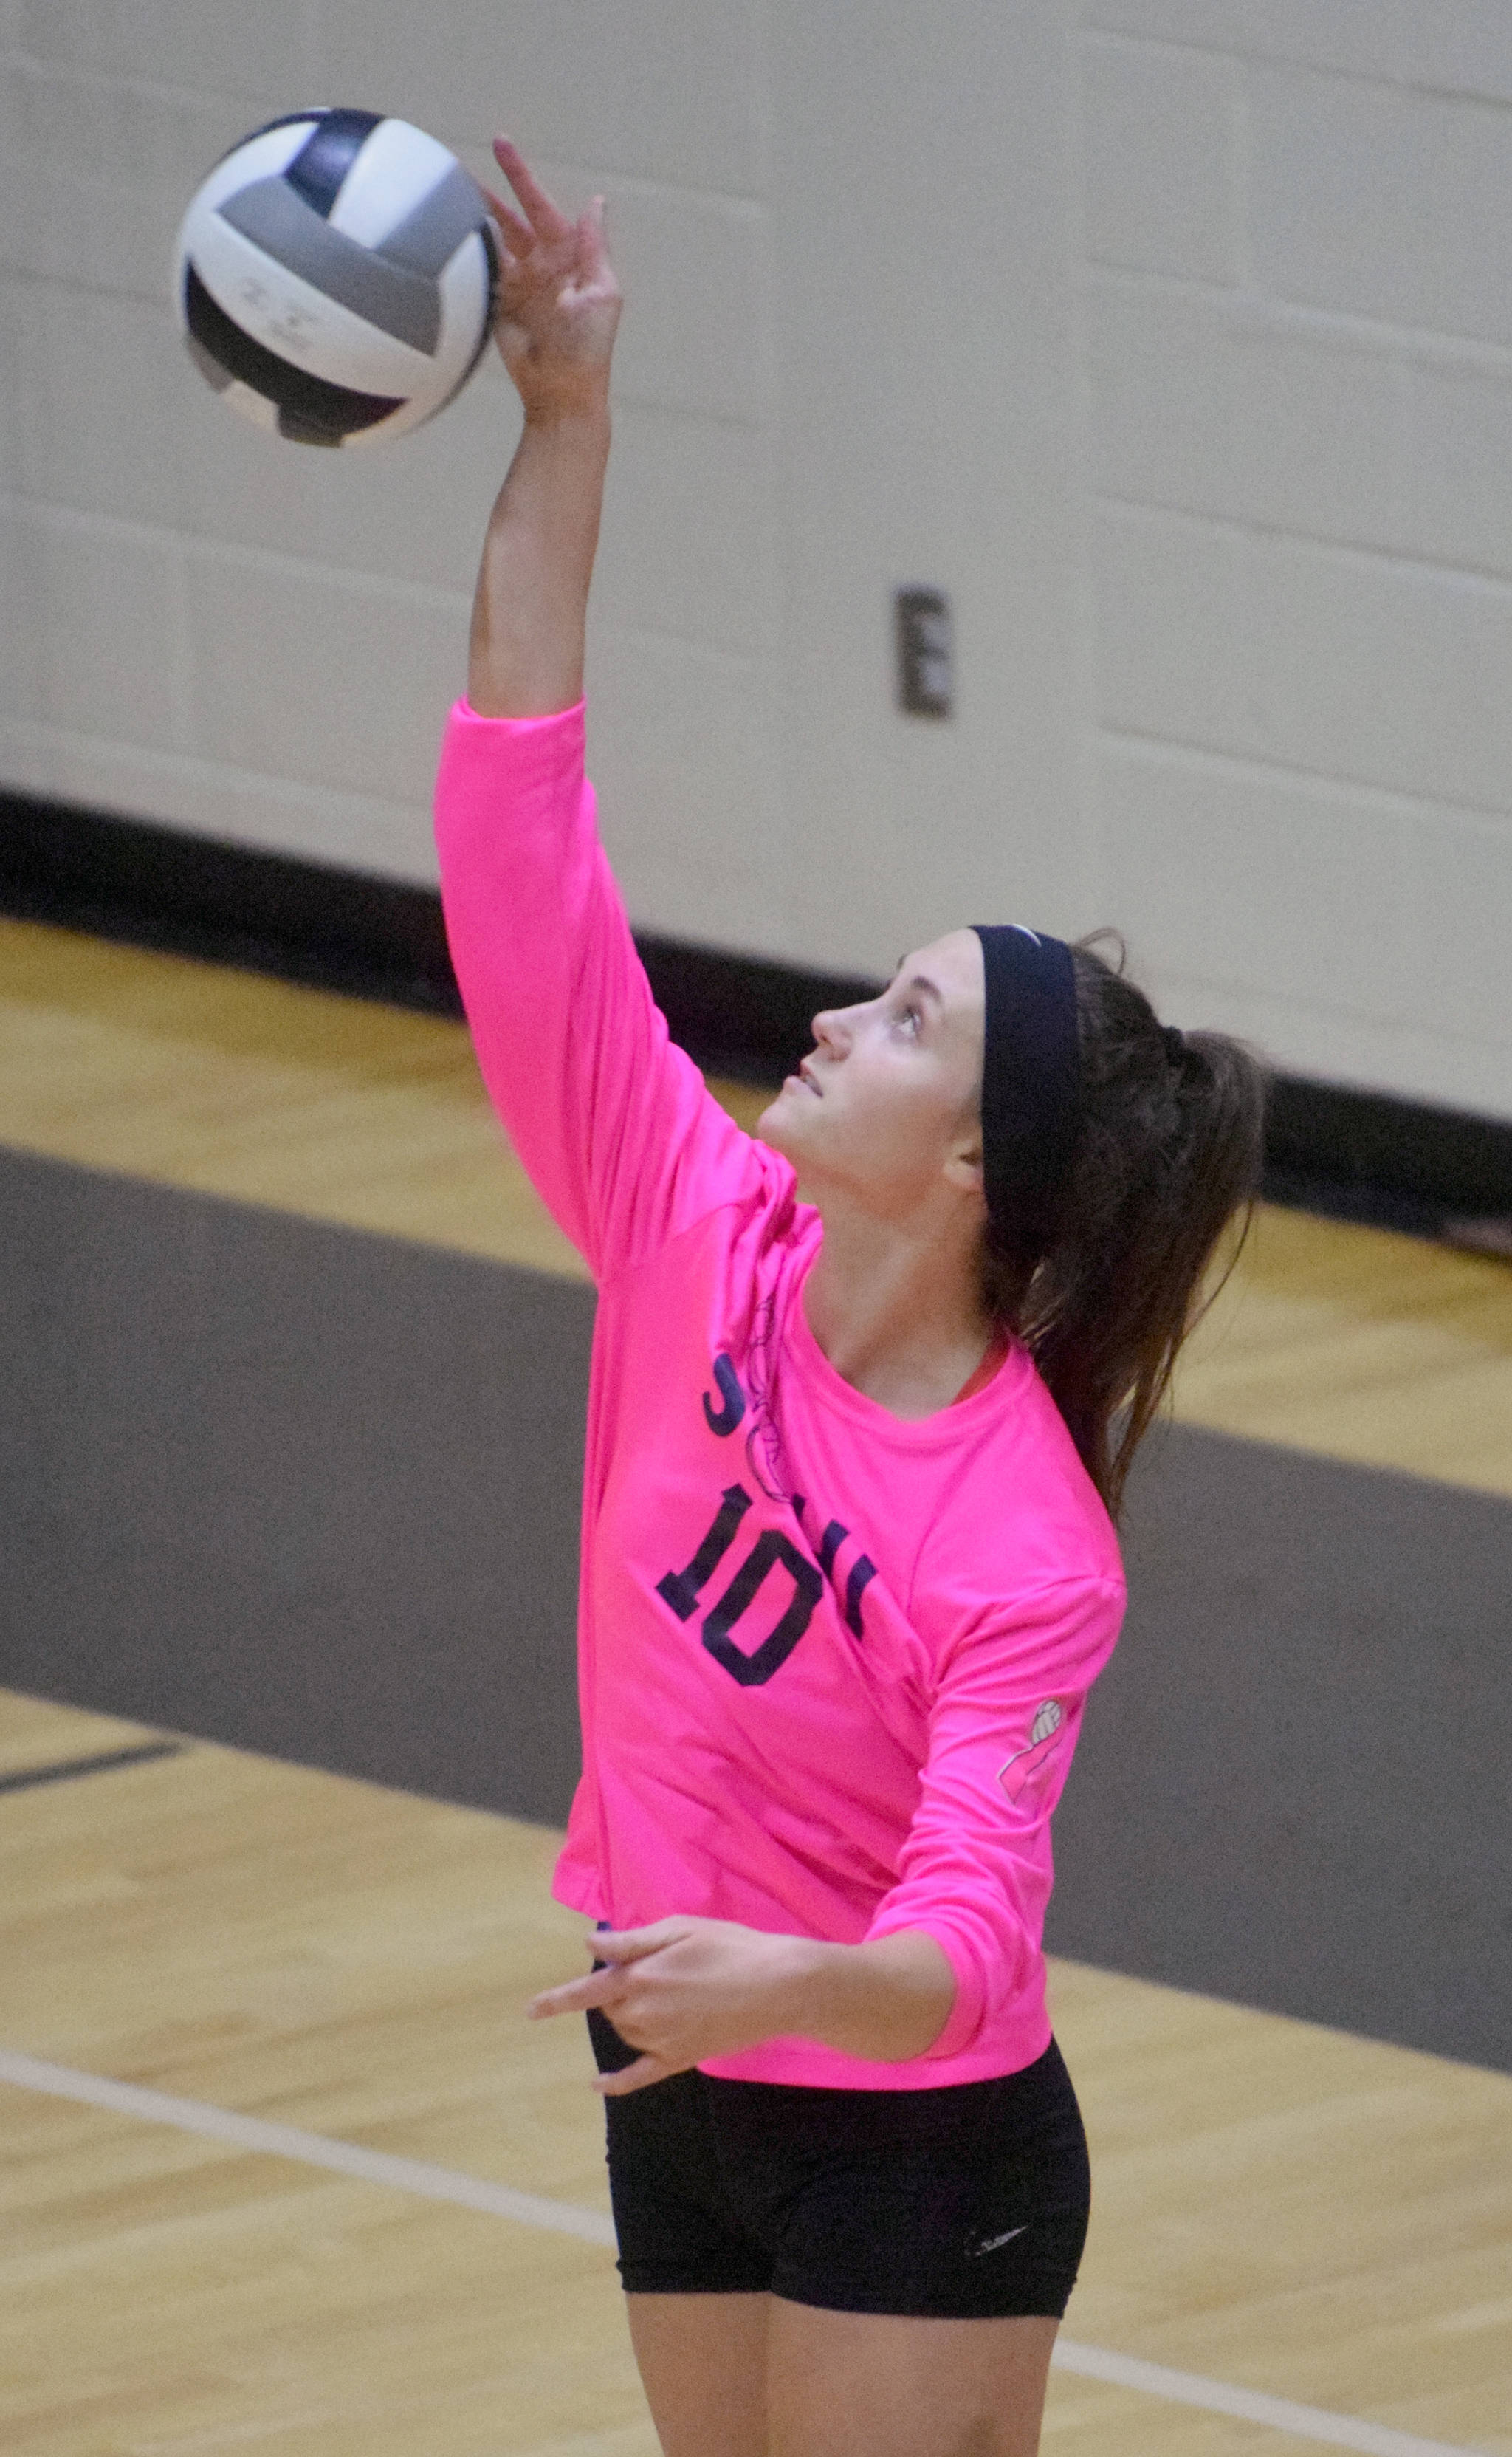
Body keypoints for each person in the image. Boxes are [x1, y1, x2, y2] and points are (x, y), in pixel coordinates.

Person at [434, 138, 1268, 2457]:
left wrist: (780, 1973)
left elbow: (962, 1949)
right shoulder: (696, 1223)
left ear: (979, 1165)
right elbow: (520, 847)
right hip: (680, 2065)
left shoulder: (1024, 1546)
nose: (824, 1021)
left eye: (899, 1020)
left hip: (915, 2140)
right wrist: (571, 423)